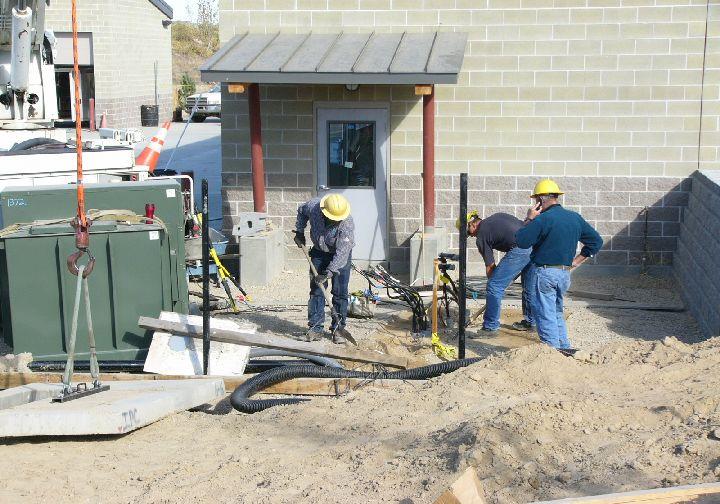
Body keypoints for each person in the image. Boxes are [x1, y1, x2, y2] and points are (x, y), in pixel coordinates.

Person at [515, 179, 603, 350]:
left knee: (545, 313)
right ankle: (565, 348)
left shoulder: (542, 219)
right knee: (556, 311)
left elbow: (521, 240)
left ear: (541, 200)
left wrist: (529, 219)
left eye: (536, 200)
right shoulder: (574, 218)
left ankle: (552, 352)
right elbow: (596, 242)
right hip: (564, 274)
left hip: (546, 273)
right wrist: (575, 263)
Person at [458, 211, 535, 335]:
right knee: (529, 287)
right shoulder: (495, 217)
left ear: (471, 224)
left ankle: (490, 327)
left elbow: (490, 266)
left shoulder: (481, 235)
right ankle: (531, 322)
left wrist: (494, 283)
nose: (470, 236)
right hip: (534, 245)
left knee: (494, 286)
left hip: (520, 248)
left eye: (467, 232)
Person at [294, 194, 355, 343]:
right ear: (324, 212)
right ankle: (315, 329)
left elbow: (342, 253)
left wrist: (328, 274)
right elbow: (301, 211)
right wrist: (299, 231)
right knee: (316, 291)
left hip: (340, 256)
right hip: (319, 252)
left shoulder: (346, 223)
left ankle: (338, 330)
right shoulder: (314, 207)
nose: (335, 220)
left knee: (340, 293)